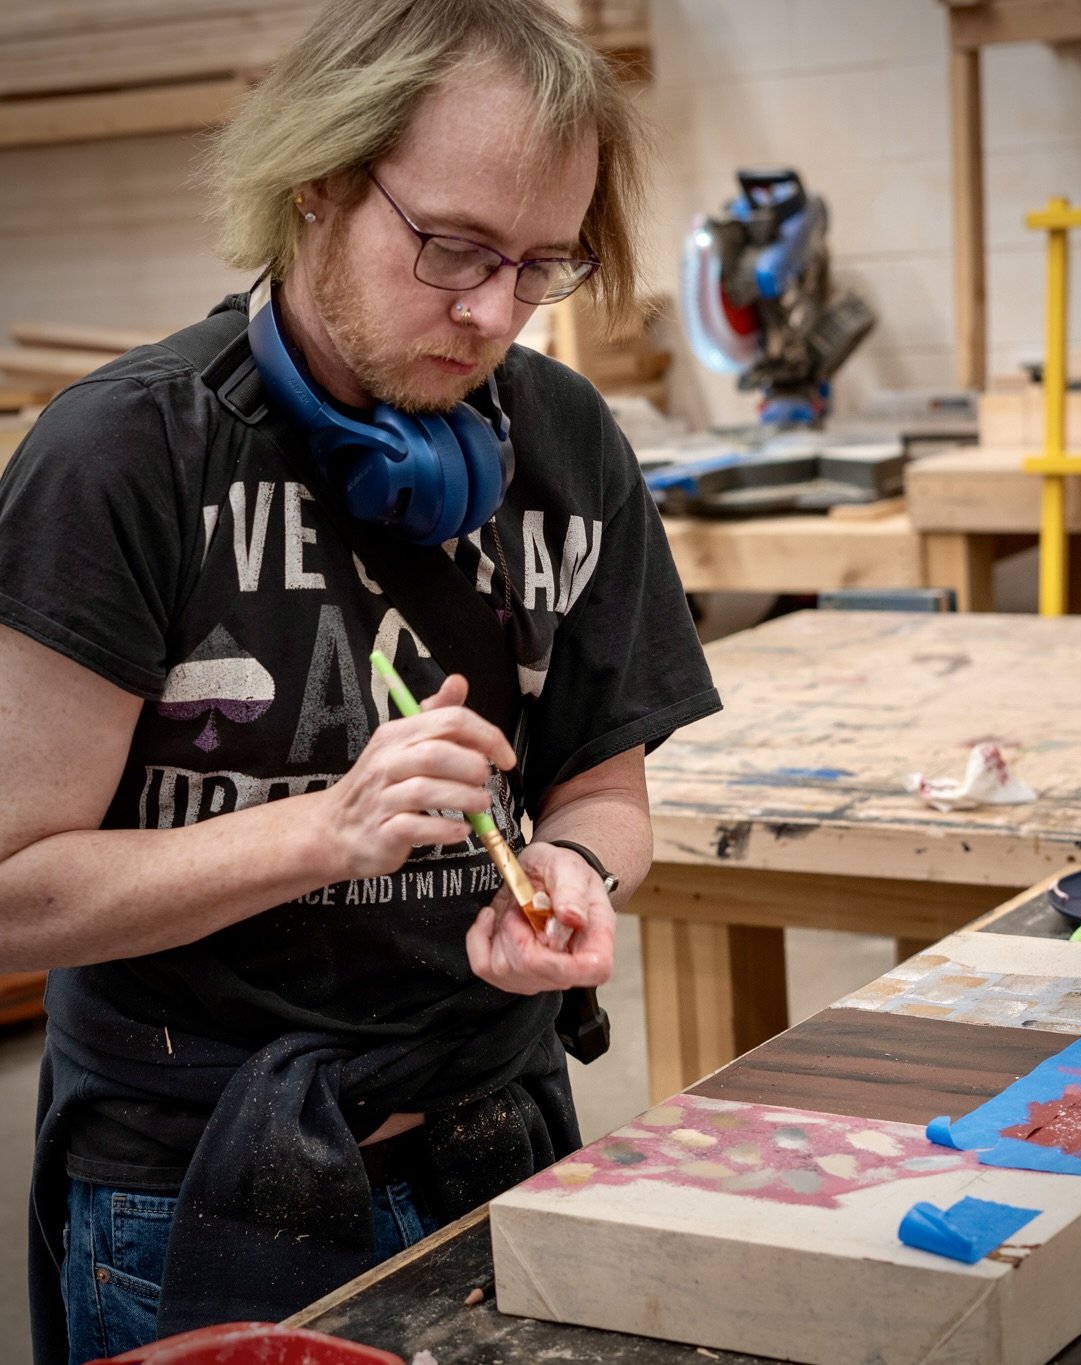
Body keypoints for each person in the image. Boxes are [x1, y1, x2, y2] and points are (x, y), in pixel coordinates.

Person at [0, 1, 720, 1359]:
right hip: (189, 1178)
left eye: (540, 266)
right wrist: (323, 830)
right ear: (318, 183)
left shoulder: (561, 440)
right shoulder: (129, 456)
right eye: (450, 247)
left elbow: (606, 787)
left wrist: (574, 871)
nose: (492, 310)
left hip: (495, 1145)